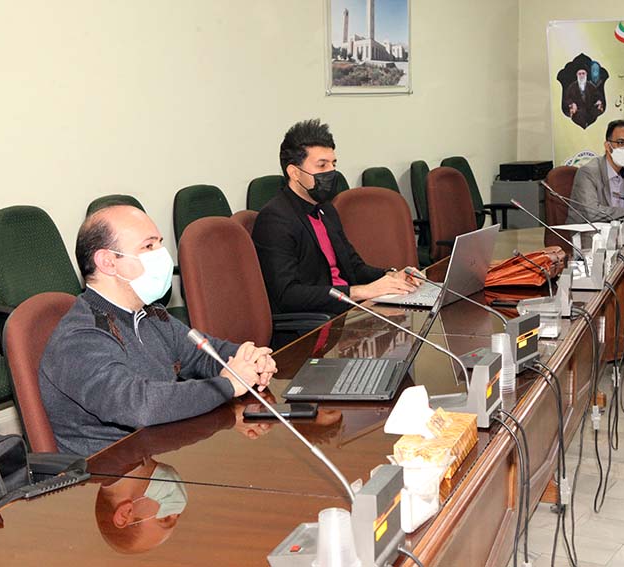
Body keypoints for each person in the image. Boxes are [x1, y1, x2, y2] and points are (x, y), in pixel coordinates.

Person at [40, 205, 277, 456]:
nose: (162, 255)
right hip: (110, 469)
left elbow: (202, 355)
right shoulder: (79, 338)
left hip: (159, 451)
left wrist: (250, 359)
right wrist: (227, 385)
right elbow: (139, 406)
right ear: (108, 262)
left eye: (160, 244)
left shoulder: (151, 314)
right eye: (148, 246)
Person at [252, 118, 420, 315]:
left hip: (349, 309)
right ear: (294, 173)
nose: (332, 172)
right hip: (318, 321)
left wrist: (391, 275)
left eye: (333, 164)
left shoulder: (326, 210)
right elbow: (287, 294)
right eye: (322, 166)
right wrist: (359, 292)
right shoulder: (274, 220)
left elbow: (354, 267)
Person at [567, 119, 624, 223]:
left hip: (621, 229)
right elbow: (592, 213)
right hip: (589, 231)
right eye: (621, 143)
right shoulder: (588, 172)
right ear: (608, 146)